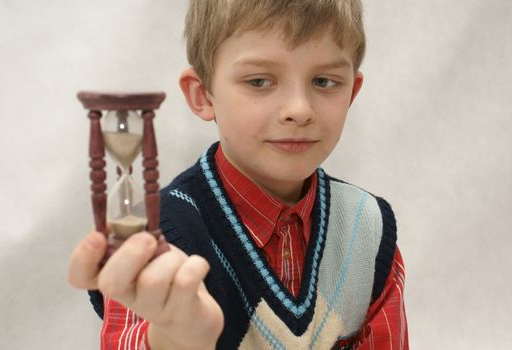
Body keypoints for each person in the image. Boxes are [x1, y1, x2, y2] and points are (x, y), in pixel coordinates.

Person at [68, 0, 408, 349]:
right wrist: (175, 338)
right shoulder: (157, 237)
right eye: (259, 81)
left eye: (324, 81)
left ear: (352, 91)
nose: (299, 110)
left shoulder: (366, 229)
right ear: (203, 96)